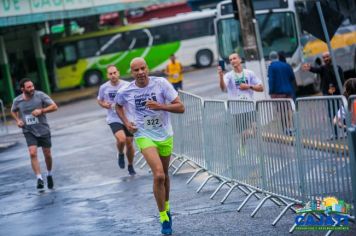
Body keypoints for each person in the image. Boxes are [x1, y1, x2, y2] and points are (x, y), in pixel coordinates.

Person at [115, 57, 185, 235]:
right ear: (131, 73)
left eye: (142, 68)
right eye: (136, 70)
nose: (140, 73)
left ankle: (167, 206)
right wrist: (126, 123)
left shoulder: (161, 83)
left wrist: (160, 106)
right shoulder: (126, 90)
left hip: (164, 134)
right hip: (143, 134)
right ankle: (163, 218)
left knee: (165, 175)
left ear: (148, 68)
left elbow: (180, 107)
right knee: (159, 175)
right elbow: (118, 106)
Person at [11, 78, 58, 190]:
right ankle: (39, 178)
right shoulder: (17, 101)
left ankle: (49, 174)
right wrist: (18, 121)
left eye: (32, 86)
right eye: (29, 87)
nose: (32, 88)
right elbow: (13, 111)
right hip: (29, 130)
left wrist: (41, 111)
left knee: (47, 154)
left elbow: (54, 107)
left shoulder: (40, 95)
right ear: (22, 89)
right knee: (32, 153)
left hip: (43, 129)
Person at [97, 65, 136, 175]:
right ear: (107, 75)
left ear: (118, 73)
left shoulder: (127, 85)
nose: (113, 75)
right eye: (110, 73)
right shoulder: (104, 87)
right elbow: (99, 100)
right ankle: (120, 153)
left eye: (114, 73)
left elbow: (133, 99)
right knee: (122, 139)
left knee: (129, 143)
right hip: (114, 117)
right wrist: (104, 105)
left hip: (127, 117)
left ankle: (130, 165)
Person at [303, 51, 345, 139]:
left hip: (337, 95)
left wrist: (335, 89)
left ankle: (345, 131)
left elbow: (341, 81)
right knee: (331, 114)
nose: (326, 59)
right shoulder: (323, 68)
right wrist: (309, 68)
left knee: (341, 114)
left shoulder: (338, 68)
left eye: (327, 57)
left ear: (331, 57)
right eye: (324, 58)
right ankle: (335, 134)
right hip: (328, 95)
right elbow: (316, 69)